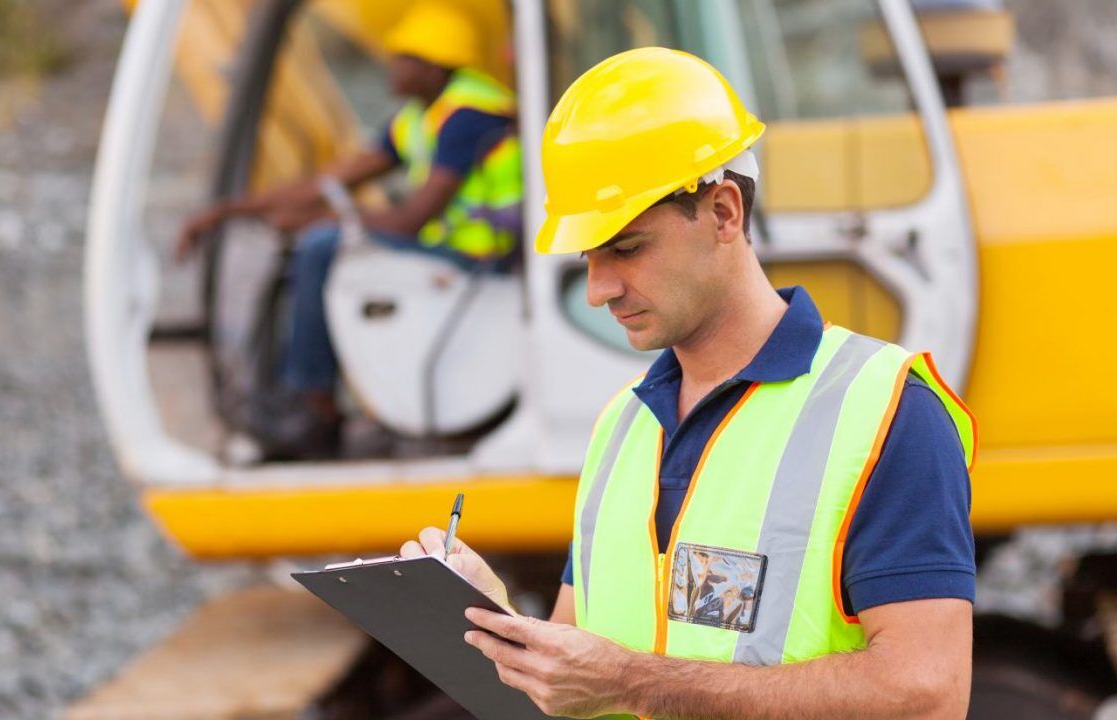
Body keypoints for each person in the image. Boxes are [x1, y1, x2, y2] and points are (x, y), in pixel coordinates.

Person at [401, 47, 977, 718]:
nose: (598, 289)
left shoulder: (885, 413)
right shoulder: (624, 424)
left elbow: (927, 693)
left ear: (725, 212)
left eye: (627, 247)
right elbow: (583, 674)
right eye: (589, 256)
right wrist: (494, 616)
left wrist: (635, 682)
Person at [176, 0, 522, 458]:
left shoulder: (469, 116)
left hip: (487, 262)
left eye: (404, 58)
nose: (391, 65)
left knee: (322, 245)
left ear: (435, 66)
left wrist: (315, 221)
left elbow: (409, 220)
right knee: (320, 242)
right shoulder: (422, 116)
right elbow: (332, 181)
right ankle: (326, 394)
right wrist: (229, 210)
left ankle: (314, 401)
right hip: (453, 252)